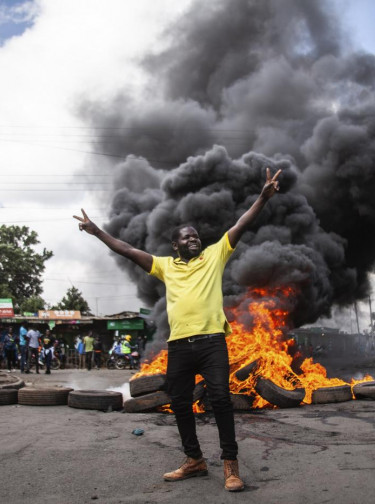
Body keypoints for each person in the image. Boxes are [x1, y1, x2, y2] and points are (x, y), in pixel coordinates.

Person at [74, 166, 282, 492]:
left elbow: (241, 224)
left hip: (213, 342)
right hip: (180, 346)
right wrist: (97, 231)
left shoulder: (214, 255)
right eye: (186, 237)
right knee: (181, 403)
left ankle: (231, 466)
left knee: (221, 400)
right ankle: (194, 459)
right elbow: (127, 250)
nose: (194, 238)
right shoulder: (165, 266)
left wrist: (262, 197)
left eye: (195, 235)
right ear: (175, 246)